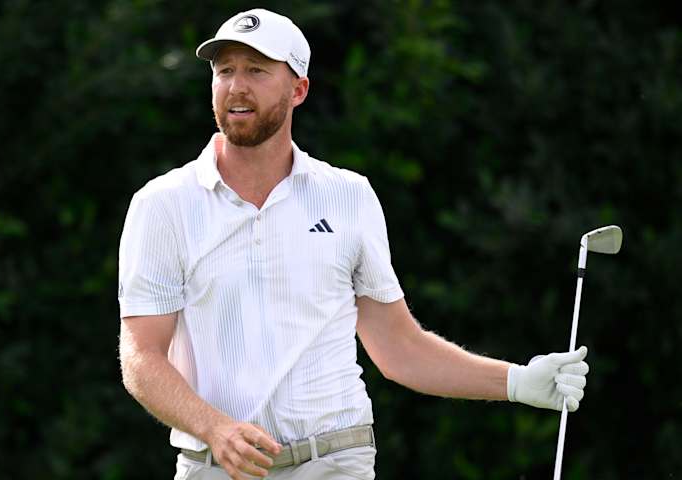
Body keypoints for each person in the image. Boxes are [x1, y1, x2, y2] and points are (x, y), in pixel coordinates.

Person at [118, 8, 589, 480]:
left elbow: (399, 346)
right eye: (225, 71)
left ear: (298, 89)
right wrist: (216, 428)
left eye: (257, 70)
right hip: (215, 466)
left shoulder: (348, 196)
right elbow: (142, 357)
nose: (236, 86)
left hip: (335, 460)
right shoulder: (163, 205)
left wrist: (517, 381)